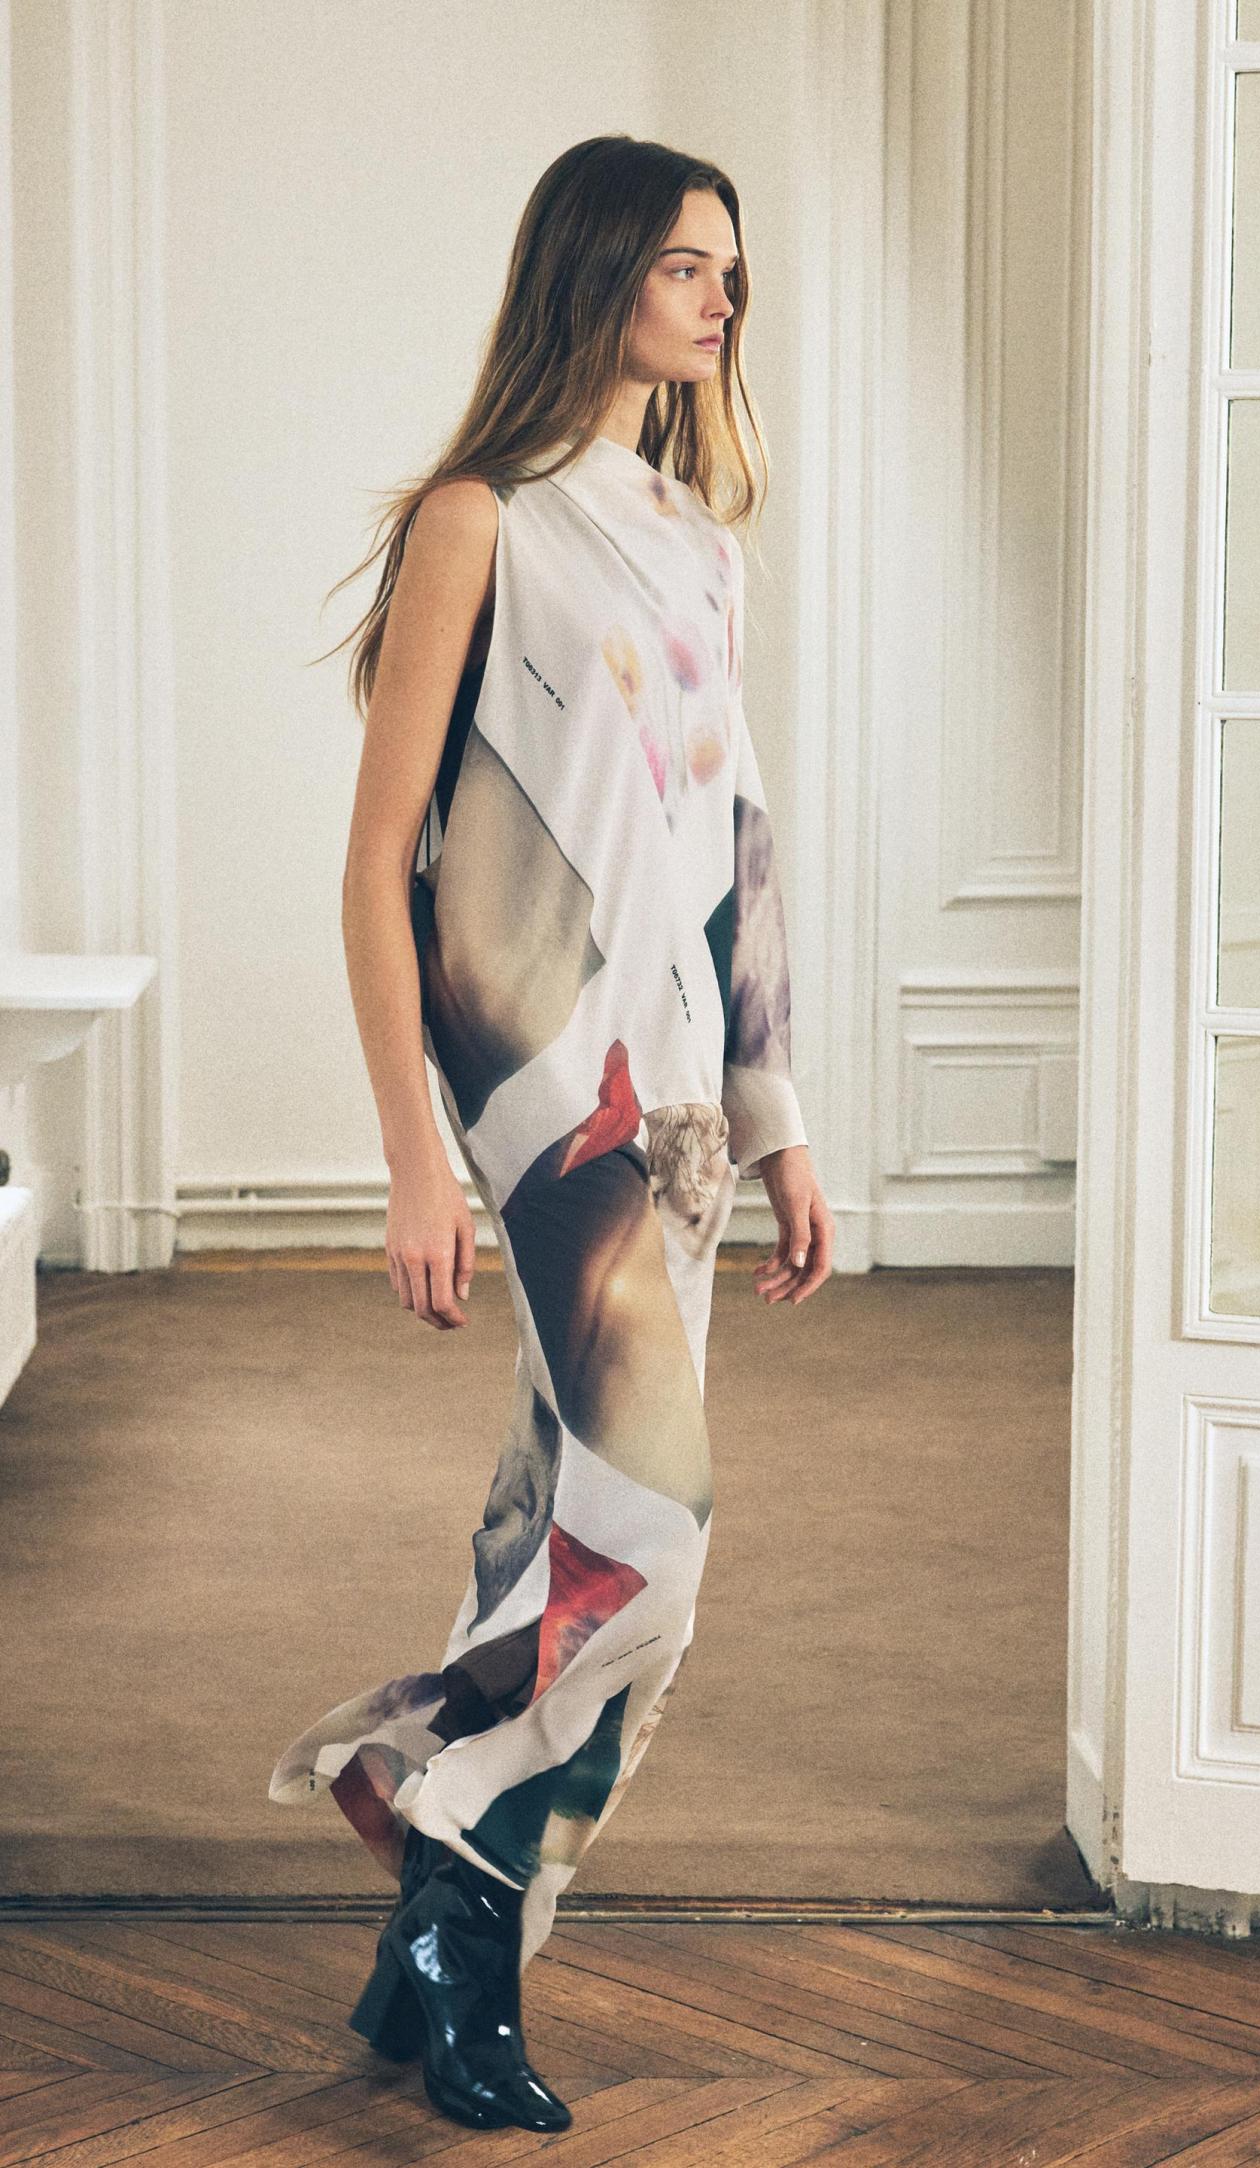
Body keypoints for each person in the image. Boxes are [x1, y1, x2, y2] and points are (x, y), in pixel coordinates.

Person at [268, 133, 833, 2135]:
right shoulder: (478, 521)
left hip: (681, 1102)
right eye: (686, 264)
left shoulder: (697, 541)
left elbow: (734, 851)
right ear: (593, 273)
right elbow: (378, 865)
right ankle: (440, 1829)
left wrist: (778, 1122)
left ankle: (440, 1931)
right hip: (545, 1090)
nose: (720, 299)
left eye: (730, 271)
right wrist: (412, 1154)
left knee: (556, 1517)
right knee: (650, 1542)